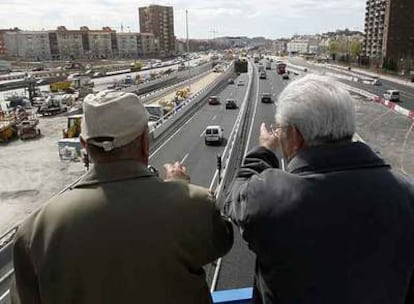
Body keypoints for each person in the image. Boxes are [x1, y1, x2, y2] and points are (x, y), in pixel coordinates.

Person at [11, 91, 233, 304]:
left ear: (84, 146)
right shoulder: (194, 204)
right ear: (145, 143)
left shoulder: (36, 231)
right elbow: (221, 242)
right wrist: (179, 190)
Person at [225, 75, 414, 304]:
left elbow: (234, 195)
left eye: (281, 129)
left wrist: (265, 149)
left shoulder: (271, 197)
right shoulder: (406, 193)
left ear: (295, 136)